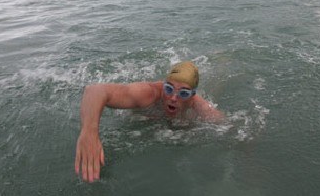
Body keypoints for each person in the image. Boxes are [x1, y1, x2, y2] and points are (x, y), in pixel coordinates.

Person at [74, 61, 224, 183]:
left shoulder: (203, 109)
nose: (173, 97)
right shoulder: (148, 93)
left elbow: (230, 130)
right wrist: (89, 132)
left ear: (192, 96)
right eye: (169, 88)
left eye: (183, 93)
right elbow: (94, 91)